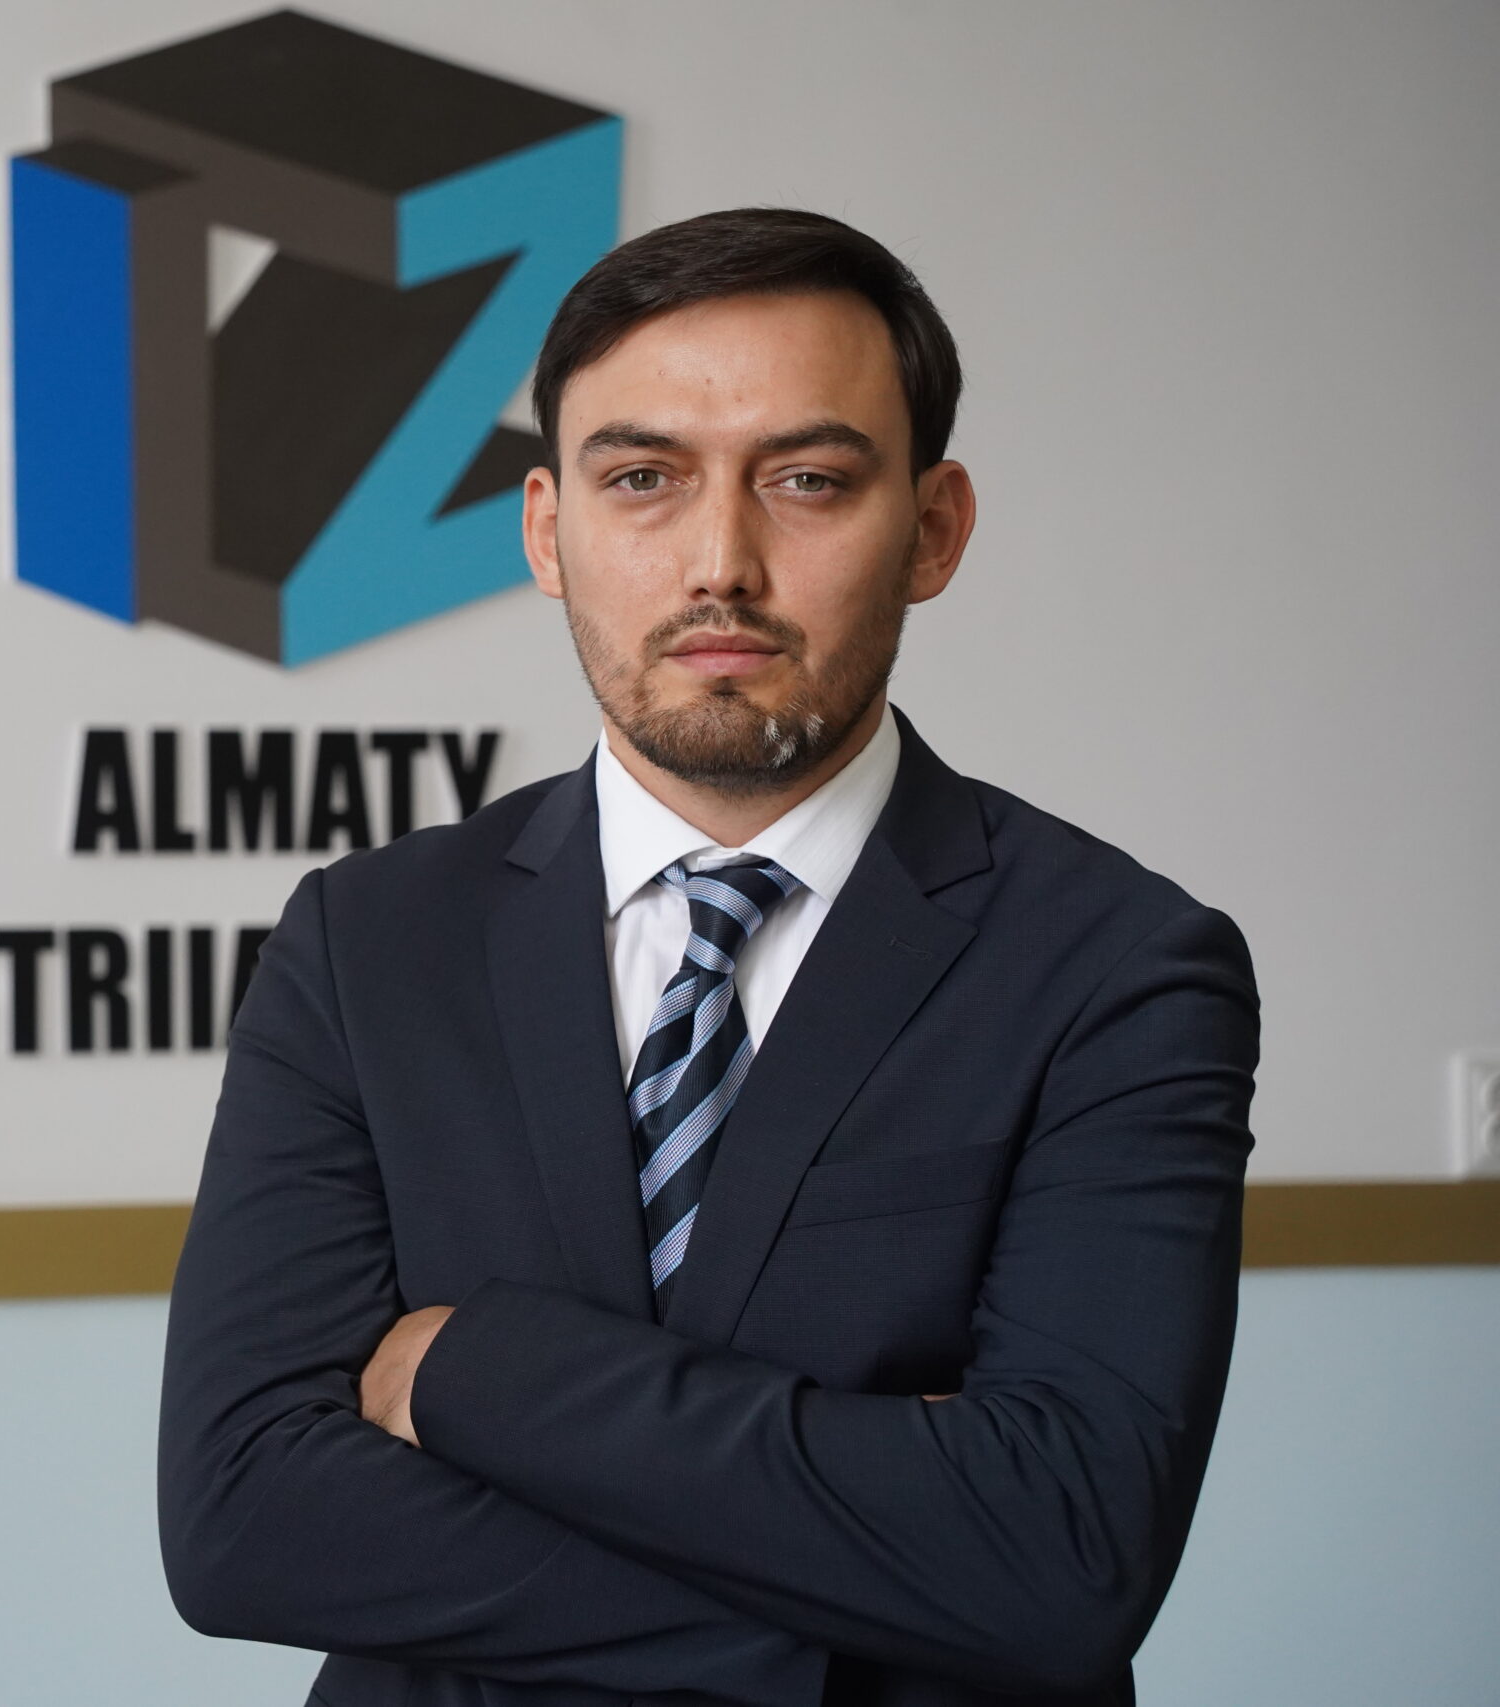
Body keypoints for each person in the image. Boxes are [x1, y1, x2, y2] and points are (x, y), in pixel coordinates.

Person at [157, 207, 1258, 1707]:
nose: (721, 563)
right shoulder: (369, 942)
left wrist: (476, 1371)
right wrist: (878, 1580)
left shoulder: (1117, 967)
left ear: (933, 530)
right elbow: (245, 1523)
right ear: (546, 530)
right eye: (642, 480)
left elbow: (1060, 1559)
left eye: (809, 481)